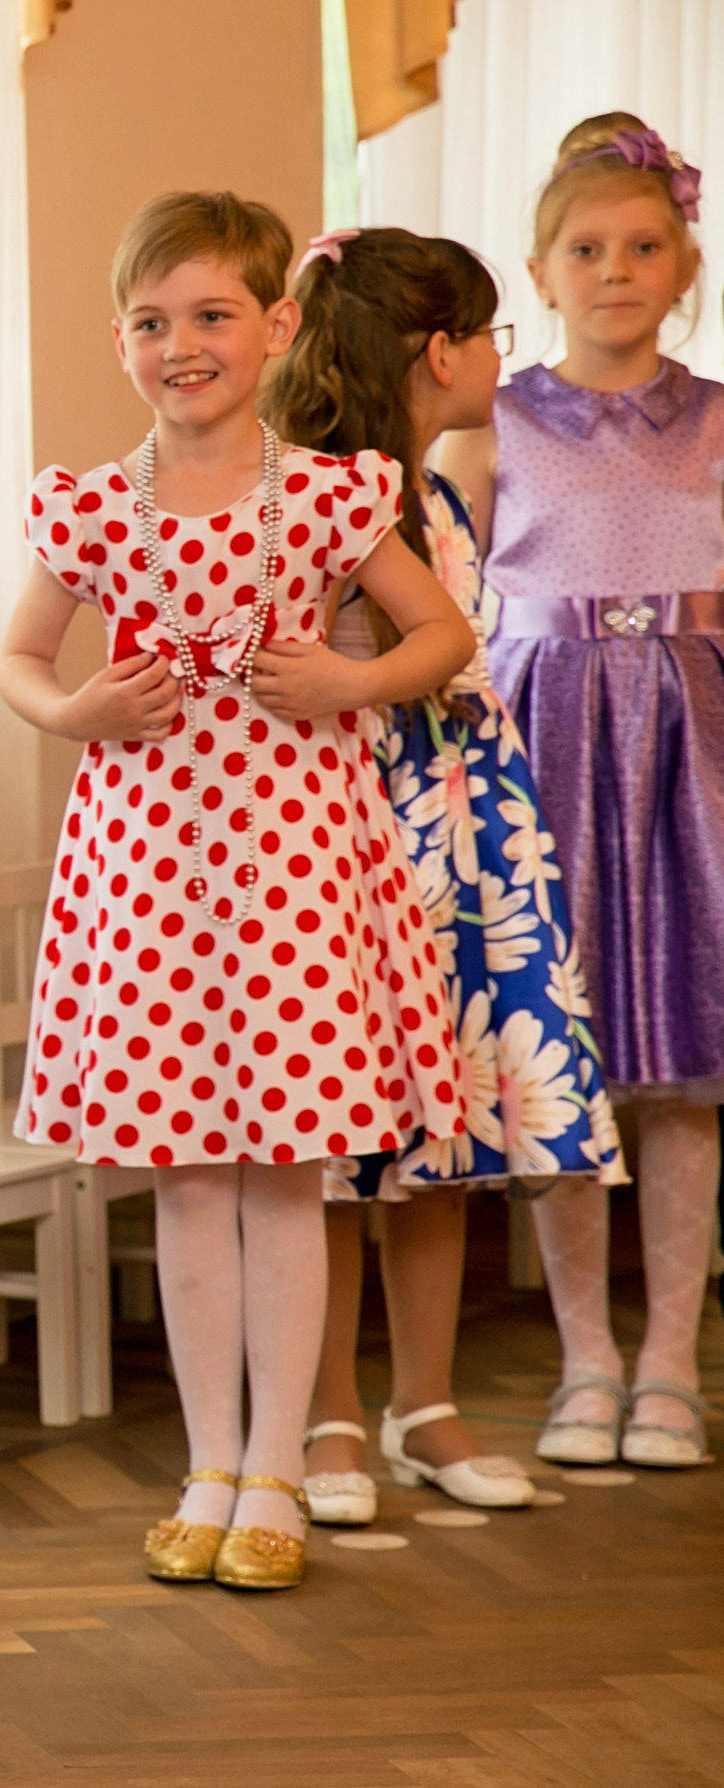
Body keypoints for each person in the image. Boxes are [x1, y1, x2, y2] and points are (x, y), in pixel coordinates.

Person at [0, 191, 476, 1591]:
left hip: (298, 875)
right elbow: (20, 663)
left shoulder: (330, 496)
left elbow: (440, 633)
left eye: (212, 316)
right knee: (190, 1181)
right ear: (120, 340)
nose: (181, 345)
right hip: (150, 879)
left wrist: (350, 679)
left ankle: (279, 1462)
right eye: (153, 322)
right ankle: (208, 1459)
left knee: (285, 1178)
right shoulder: (88, 507)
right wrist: (76, 708)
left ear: (274, 327)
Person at [262, 226, 625, 1525]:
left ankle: (426, 1404)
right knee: (337, 1144)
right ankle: (325, 1416)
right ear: (435, 354)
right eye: (485, 335)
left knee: (442, 1133)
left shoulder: (446, 495)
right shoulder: (310, 501)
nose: (496, 360)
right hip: (351, 845)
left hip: (464, 842)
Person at [433, 113, 722, 1473]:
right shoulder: (490, 428)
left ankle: (671, 1359)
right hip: (543, 757)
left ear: (686, 265)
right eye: (588, 248)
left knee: (679, 1072)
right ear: (541, 272)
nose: (618, 268)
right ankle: (584, 1360)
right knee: (564, 1063)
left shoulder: (719, 423)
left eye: (645, 245)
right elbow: (437, 604)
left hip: (694, 760)